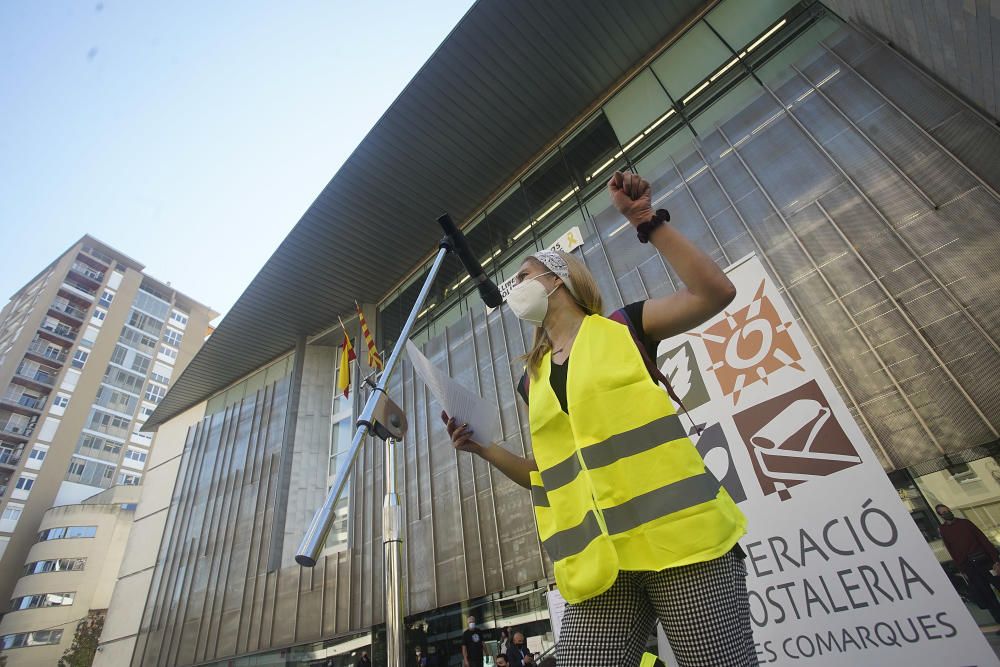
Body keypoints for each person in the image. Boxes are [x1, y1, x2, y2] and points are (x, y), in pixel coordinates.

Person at [442, 171, 755, 666]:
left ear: (557, 278)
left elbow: (713, 293)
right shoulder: (532, 381)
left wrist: (645, 220)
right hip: (600, 563)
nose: (513, 289)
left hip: (684, 546)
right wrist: (482, 448)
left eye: (522, 277)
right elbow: (549, 477)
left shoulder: (625, 327)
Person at [936, 503, 1000, 625]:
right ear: (940, 515)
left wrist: (996, 560)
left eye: (947, 510)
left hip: (984, 560)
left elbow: (982, 539)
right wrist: (962, 569)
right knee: (986, 595)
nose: (947, 513)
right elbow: (952, 550)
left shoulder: (965, 523)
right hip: (969, 566)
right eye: (943, 512)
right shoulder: (944, 530)